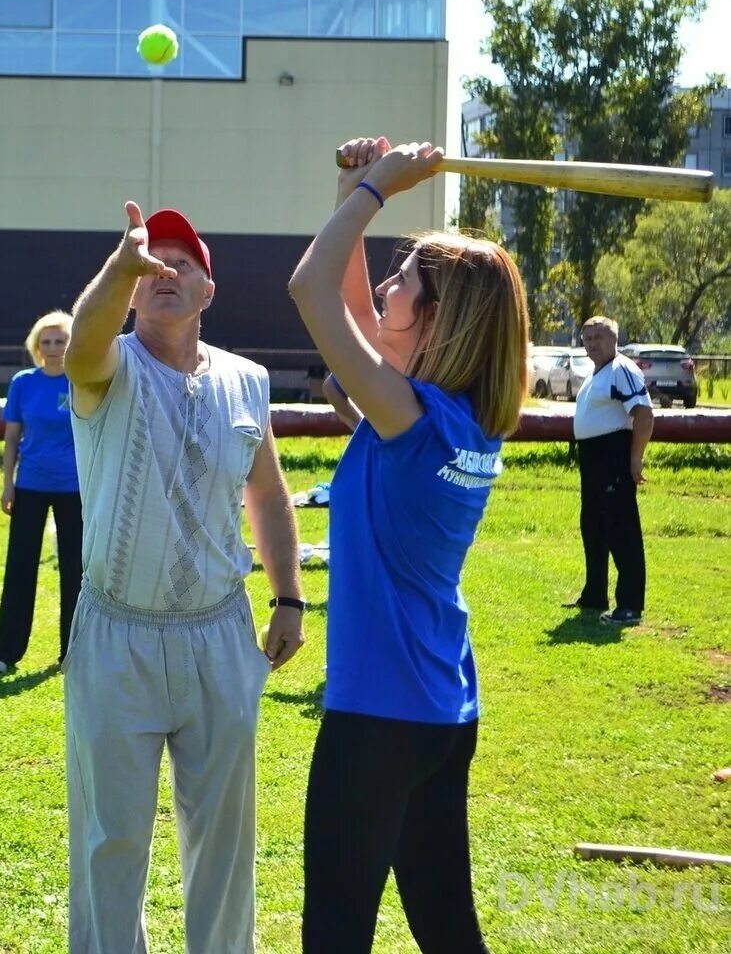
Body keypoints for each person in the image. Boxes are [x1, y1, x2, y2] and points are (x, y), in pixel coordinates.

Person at [289, 136, 529, 954]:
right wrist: (351, 185)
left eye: (406, 285)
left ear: (437, 321)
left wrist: (376, 191)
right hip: (437, 711)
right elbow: (351, 312)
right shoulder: (451, 420)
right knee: (445, 928)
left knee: (334, 934)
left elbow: (310, 290)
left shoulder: (410, 420)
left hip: (377, 718)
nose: (386, 292)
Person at [62, 202, 304, 952]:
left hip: (219, 633)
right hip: (116, 635)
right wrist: (118, 265)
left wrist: (289, 596)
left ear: (208, 290)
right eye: (150, 263)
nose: (164, 271)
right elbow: (81, 342)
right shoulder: (106, 367)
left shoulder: (248, 382)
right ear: (132, 289)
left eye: (182, 263)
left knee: (225, 845)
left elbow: (265, 491)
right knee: (112, 841)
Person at [0, 311, 83, 674]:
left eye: (60, 341)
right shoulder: (23, 382)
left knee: (76, 569)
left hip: (74, 488)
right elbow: (12, 439)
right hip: (29, 486)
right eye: (47, 342)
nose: (54, 348)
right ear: (37, 346)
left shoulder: (82, 381)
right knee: (20, 567)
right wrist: (7, 483)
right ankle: (5, 652)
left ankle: (72, 652)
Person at [567, 315, 653, 626]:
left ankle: (629, 605)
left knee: (620, 527)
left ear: (614, 340)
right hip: (592, 457)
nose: (592, 344)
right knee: (593, 524)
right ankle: (594, 594)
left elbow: (643, 413)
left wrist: (635, 457)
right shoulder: (596, 374)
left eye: (599, 338)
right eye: (587, 338)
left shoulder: (621, 369)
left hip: (613, 454)